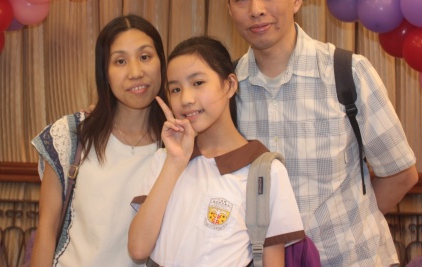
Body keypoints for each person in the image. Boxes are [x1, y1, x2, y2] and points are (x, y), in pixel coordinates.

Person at [222, 0, 419, 266]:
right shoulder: (225, 91)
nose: (255, 9)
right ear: (230, 9)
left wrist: (351, 229)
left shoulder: (348, 72)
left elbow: (400, 174)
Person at [128, 36, 305, 267]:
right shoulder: (164, 159)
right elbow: (138, 249)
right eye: (175, 89)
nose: (186, 99)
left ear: (229, 85)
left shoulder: (265, 172)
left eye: (198, 83)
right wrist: (175, 162)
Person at [30, 14, 168, 267]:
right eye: (120, 61)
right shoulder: (72, 135)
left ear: (161, 62)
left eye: (145, 57)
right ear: (104, 72)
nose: (136, 72)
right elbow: (47, 229)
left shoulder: (179, 146)